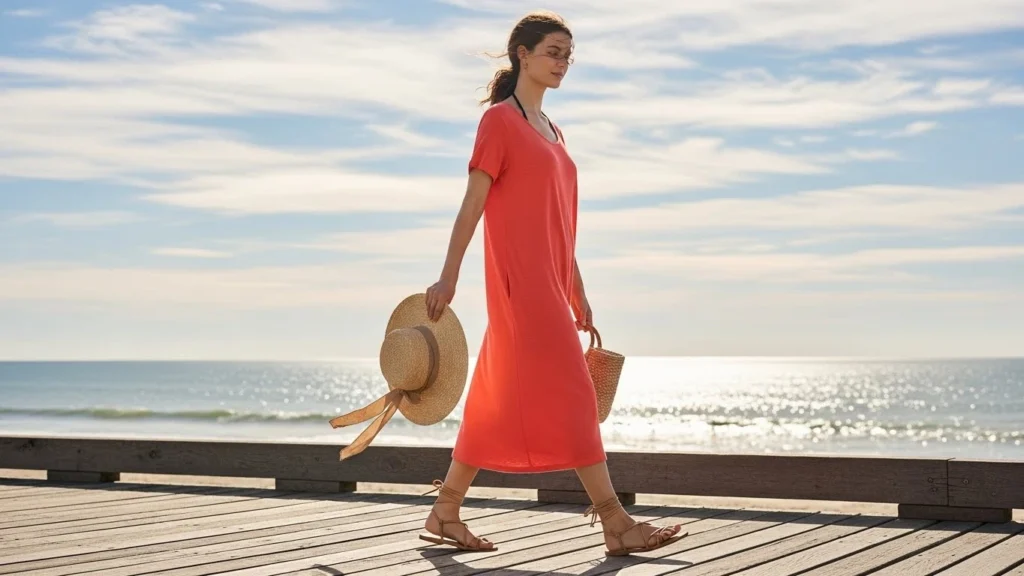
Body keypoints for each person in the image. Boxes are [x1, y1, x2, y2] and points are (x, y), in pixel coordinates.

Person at [420, 10, 685, 557]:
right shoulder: (500, 122)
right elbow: (472, 204)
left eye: (569, 55)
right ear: (523, 54)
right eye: (553, 52)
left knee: (495, 396)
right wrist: (449, 275)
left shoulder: (554, 131)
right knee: (575, 393)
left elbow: (558, 222)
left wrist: (576, 287)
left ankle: (445, 510)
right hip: (520, 285)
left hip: (550, 282)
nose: (563, 63)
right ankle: (615, 521)